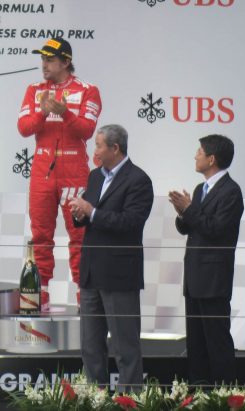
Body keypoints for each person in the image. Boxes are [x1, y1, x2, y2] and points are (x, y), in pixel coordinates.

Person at [17, 37, 101, 309]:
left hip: (74, 170)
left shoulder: (88, 90)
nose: (44, 64)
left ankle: (84, 295)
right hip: (42, 169)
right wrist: (43, 112)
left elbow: (87, 130)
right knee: (40, 234)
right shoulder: (34, 90)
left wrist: (64, 113)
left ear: (66, 62)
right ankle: (39, 293)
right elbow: (24, 128)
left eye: (50, 59)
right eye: (42, 59)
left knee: (79, 237)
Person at [68, 124, 153, 392]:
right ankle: (95, 397)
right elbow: (89, 214)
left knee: (125, 345)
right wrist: (79, 215)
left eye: (99, 145)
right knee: (90, 345)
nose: (95, 150)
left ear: (115, 148)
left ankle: (130, 400)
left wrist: (91, 212)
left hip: (119, 276)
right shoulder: (95, 177)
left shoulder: (139, 180)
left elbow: (130, 222)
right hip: (91, 272)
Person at [168, 135, 243, 385]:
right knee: (196, 345)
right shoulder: (201, 189)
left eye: (199, 151)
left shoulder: (231, 192)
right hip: (194, 278)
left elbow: (215, 229)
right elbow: (188, 227)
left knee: (217, 343)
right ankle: (199, 396)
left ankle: (226, 397)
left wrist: (190, 210)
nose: (195, 155)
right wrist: (183, 213)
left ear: (212, 159)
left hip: (214, 281)